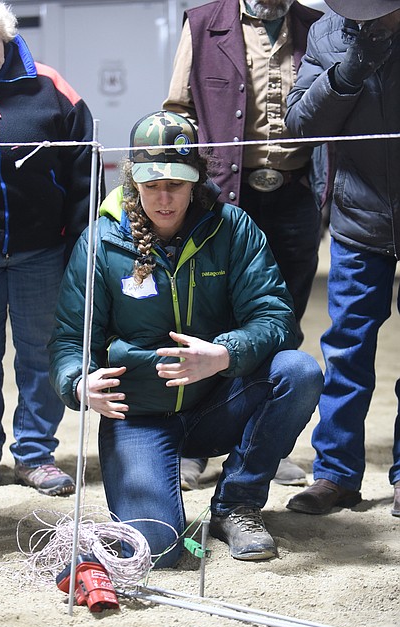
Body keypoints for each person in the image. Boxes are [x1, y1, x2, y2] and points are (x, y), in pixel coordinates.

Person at [49, 110, 323, 567]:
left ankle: (236, 504)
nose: (164, 198)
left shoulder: (233, 228)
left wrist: (224, 354)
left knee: (298, 371)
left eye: (175, 184)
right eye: (152, 184)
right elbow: (70, 338)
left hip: (217, 400)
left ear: (195, 180)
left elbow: (277, 318)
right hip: (139, 415)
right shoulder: (100, 241)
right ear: (133, 180)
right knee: (155, 550)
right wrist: (79, 382)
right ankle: (159, 498)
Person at [163, 0, 324, 489]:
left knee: (282, 322)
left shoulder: (314, 25)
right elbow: (178, 112)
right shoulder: (203, 23)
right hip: (224, 194)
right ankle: (193, 446)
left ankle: (265, 446)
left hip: (296, 194)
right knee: (210, 319)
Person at [0, 0, 102, 498]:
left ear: (2, 31)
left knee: (42, 356)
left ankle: (35, 453)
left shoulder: (49, 86)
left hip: (43, 251)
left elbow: (85, 170)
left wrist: (82, 243)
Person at [284, 0, 400, 517]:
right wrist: (352, 67)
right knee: (347, 349)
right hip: (358, 220)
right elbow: (300, 123)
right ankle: (335, 474)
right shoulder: (328, 33)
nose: (368, 19)